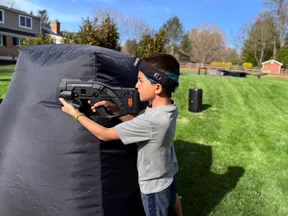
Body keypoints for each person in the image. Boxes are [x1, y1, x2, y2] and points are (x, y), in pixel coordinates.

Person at [59, 54, 183, 216]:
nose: (136, 86)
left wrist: (75, 114)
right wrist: (117, 111)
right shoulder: (167, 109)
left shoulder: (154, 121)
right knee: (173, 198)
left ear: (157, 88)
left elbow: (105, 134)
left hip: (154, 183)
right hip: (168, 169)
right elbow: (141, 123)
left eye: (140, 80)